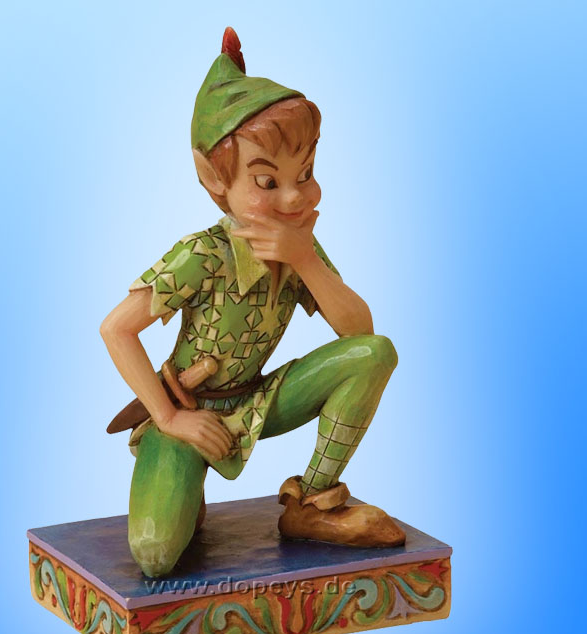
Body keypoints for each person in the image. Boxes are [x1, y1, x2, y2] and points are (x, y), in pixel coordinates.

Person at [100, 28, 405, 578]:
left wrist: (305, 259)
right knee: (155, 554)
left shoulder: (298, 248)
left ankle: (311, 502)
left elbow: (361, 333)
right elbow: (116, 329)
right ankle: (181, 485)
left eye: (305, 174)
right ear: (213, 178)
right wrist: (170, 418)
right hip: (191, 407)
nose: (294, 196)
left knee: (375, 354)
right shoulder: (203, 254)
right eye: (267, 180)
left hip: (260, 401)